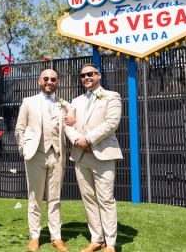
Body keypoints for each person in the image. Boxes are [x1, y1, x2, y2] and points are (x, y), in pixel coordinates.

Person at [64, 64, 122, 252]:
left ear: (98, 75)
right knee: (88, 199)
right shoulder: (75, 101)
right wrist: (78, 140)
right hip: (81, 156)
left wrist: (88, 139)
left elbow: (112, 122)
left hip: (103, 155)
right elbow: (67, 124)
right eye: (83, 75)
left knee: (106, 199)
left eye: (90, 74)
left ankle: (110, 244)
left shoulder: (112, 96)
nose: (86, 77)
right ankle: (96, 239)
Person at [15, 69, 69, 252]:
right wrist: (24, 150)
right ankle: (35, 236)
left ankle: (56, 237)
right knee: (35, 197)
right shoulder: (28, 102)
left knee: (55, 198)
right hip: (35, 154)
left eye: (53, 79)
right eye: (46, 78)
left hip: (57, 155)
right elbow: (19, 129)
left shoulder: (64, 104)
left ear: (57, 82)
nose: (49, 82)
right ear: (39, 81)